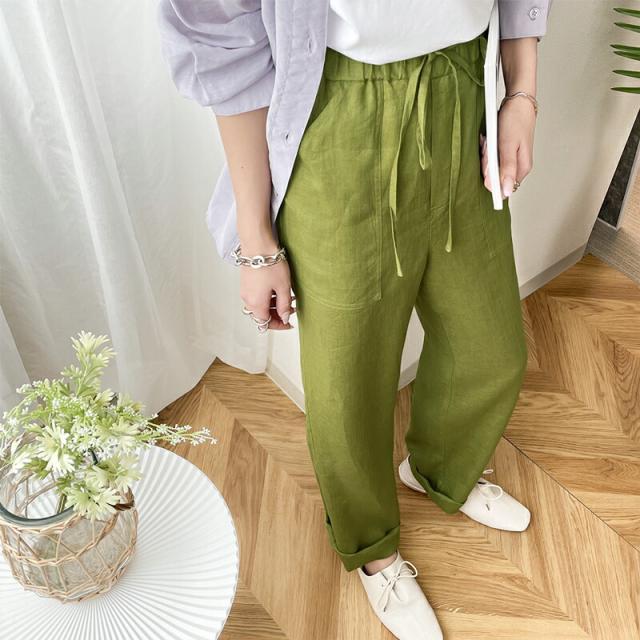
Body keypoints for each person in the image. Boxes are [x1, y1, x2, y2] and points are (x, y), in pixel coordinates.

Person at [157, 1, 553, 638]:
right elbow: (222, 39)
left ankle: (438, 469)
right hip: (337, 117)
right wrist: (257, 243)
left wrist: (522, 95)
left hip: (463, 93)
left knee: (491, 348)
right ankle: (373, 550)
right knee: (347, 382)